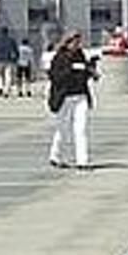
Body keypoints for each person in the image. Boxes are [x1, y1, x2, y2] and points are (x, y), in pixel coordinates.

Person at [45, 32, 96, 169]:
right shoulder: (59, 57)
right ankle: (56, 156)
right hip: (65, 97)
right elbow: (55, 77)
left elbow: (84, 73)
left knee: (81, 128)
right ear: (67, 42)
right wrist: (71, 69)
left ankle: (82, 161)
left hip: (81, 96)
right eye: (74, 42)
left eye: (79, 42)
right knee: (63, 128)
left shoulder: (80, 55)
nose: (77, 45)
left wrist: (90, 71)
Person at [0, 24, 21, 97]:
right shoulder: (11, 40)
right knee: (8, 75)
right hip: (8, 59)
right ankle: (6, 90)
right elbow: (15, 50)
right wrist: (16, 58)